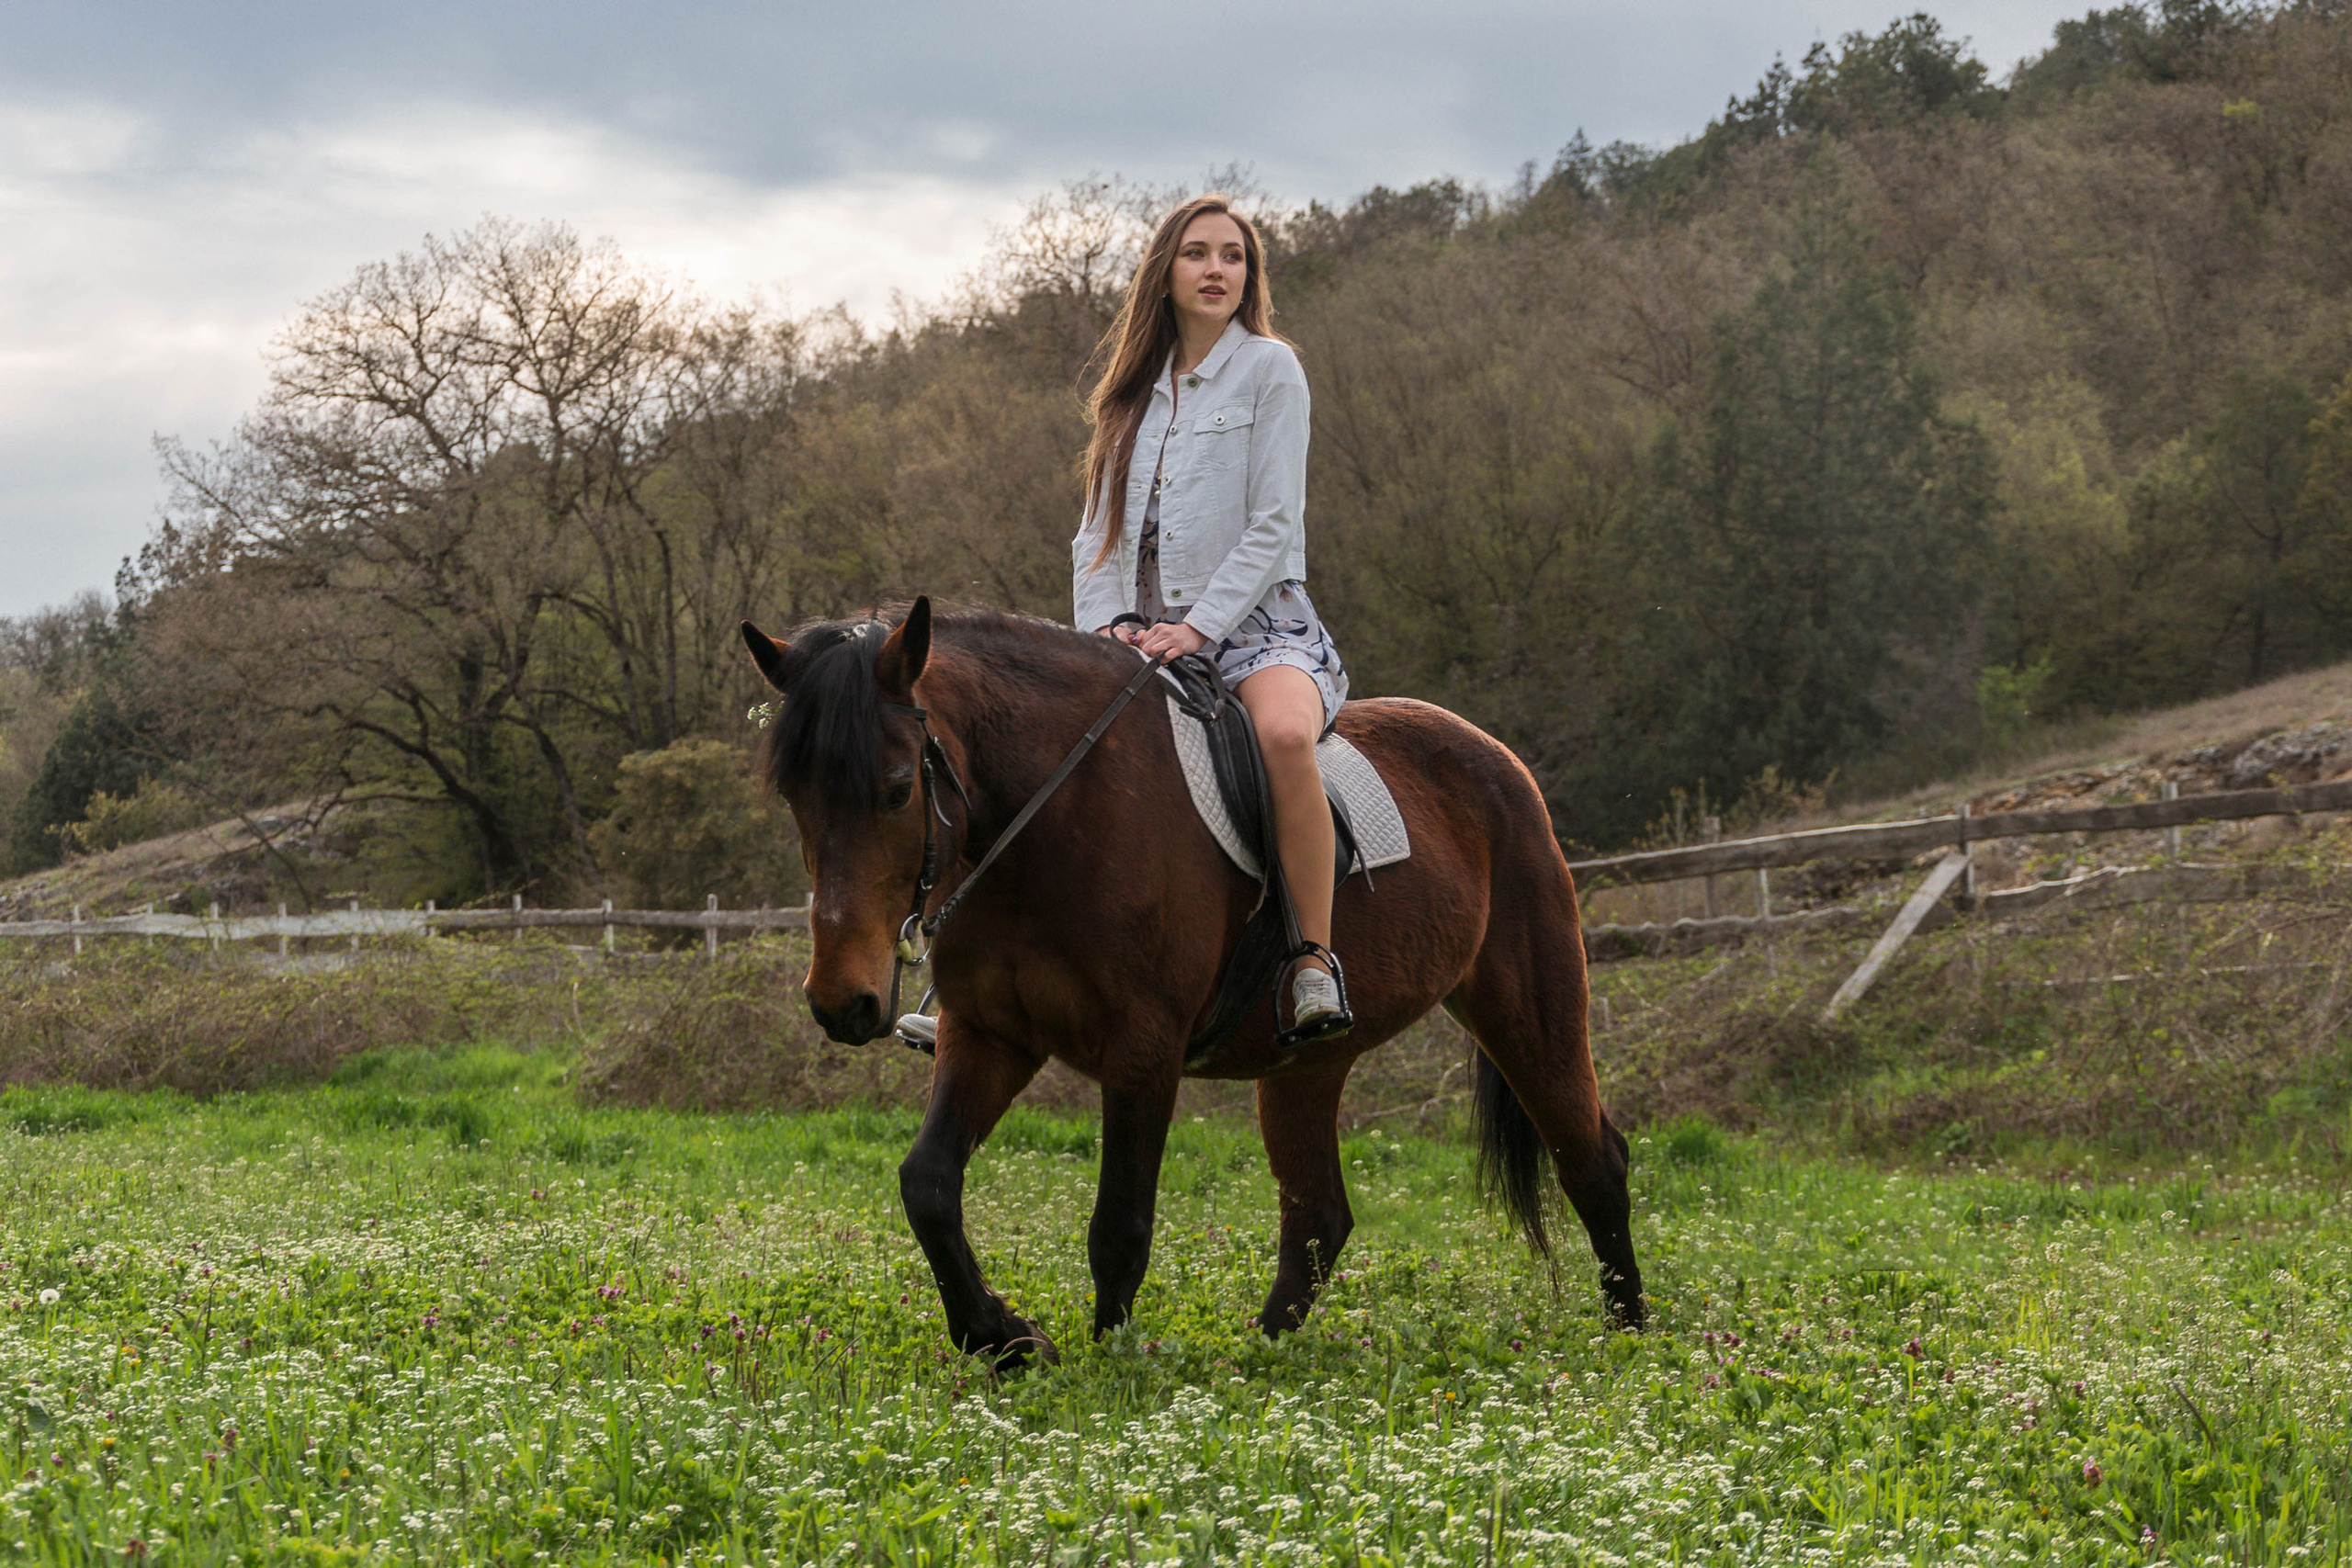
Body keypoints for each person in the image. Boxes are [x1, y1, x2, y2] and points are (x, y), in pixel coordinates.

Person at [1072, 194, 1352, 1044]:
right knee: (1045, 747)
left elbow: (1275, 523)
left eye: (1233, 256)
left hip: (1260, 626)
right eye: (1198, 253)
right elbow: (1095, 537)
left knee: (1284, 738)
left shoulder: (1271, 369)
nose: (1217, 269)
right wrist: (1109, 628)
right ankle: (984, 978)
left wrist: (1201, 626)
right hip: (1143, 637)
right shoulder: (1127, 398)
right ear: (1165, 273)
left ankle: (1312, 960)